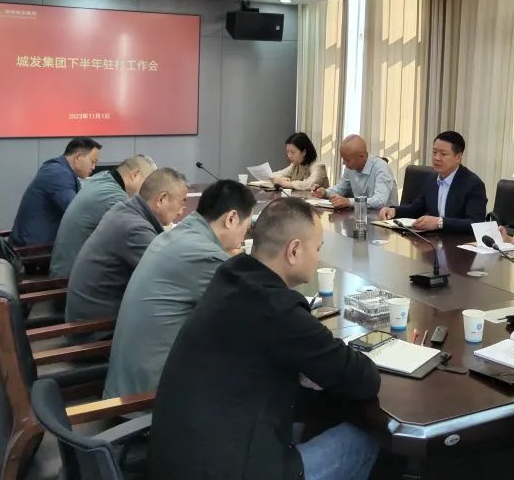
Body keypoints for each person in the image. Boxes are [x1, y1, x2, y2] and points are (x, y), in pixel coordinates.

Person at [151, 197, 381, 480]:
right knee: (365, 439)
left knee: (314, 420)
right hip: (228, 469)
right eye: (317, 248)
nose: (318, 256)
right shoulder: (278, 309)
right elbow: (363, 379)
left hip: (181, 456)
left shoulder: (230, 276)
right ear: (294, 251)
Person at [103, 179, 256, 399]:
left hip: (127, 383)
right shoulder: (205, 255)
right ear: (231, 218)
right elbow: (251, 313)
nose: (244, 236)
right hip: (147, 400)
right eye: (246, 227)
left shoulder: (177, 235)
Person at [64, 167, 189, 325]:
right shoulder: (135, 228)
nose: (181, 213)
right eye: (182, 203)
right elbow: (170, 277)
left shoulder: (125, 210)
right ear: (161, 199)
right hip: (96, 327)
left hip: (90, 314)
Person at [50, 154, 156, 277]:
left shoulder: (101, 178)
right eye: (148, 185)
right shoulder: (115, 198)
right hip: (70, 279)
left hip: (66, 268)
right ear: (135, 175)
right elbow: (143, 240)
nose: (148, 192)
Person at [378, 131, 486, 232]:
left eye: (443, 154)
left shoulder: (473, 184)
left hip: (458, 242)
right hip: (433, 240)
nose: (437, 158)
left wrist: (440, 223)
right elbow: (416, 208)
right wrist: (394, 211)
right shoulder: (432, 179)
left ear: (458, 157)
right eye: (434, 152)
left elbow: (476, 223)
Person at [9, 137, 102, 246]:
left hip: (35, 242)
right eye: (92, 162)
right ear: (78, 157)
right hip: (34, 249)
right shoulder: (58, 174)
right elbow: (77, 213)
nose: (93, 167)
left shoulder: (58, 169)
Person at [312, 134, 397, 211]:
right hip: (360, 215)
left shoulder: (381, 168)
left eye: (347, 160)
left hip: (384, 219)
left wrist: (349, 201)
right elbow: (341, 189)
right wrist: (325, 192)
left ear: (361, 156)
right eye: (343, 159)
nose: (344, 163)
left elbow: (380, 201)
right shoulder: (350, 168)